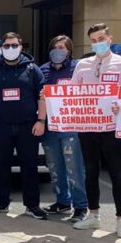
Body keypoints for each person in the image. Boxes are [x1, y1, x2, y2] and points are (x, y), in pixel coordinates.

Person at [70, 23, 121, 238]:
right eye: (94, 40)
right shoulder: (83, 64)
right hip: (87, 127)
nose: (98, 43)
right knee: (90, 172)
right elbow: (71, 94)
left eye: (101, 38)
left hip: (112, 127)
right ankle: (93, 216)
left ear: (110, 38)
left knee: (117, 174)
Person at [0, 32, 48, 220]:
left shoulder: (33, 70)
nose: (10, 49)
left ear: (21, 47)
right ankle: (1, 203)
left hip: (28, 127)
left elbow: (42, 97)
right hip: (0, 126)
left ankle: (32, 205)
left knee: (29, 167)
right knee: (1, 166)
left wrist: (41, 121)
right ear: (1, 49)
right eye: (7, 46)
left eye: (14, 45)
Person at [40, 35, 88, 222]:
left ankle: (81, 205)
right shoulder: (43, 69)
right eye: (55, 47)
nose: (58, 50)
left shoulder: (79, 68)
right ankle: (62, 201)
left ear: (69, 50)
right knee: (54, 166)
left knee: (74, 167)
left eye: (62, 47)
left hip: (71, 126)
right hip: (50, 127)